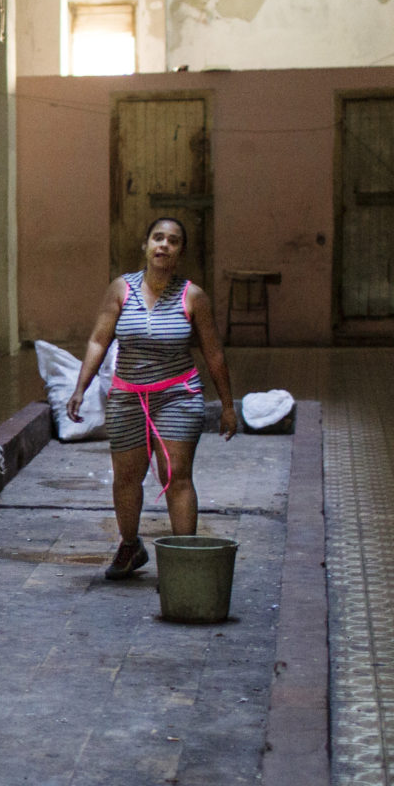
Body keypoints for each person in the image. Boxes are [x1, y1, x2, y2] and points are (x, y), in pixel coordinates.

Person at [62, 217, 237, 579]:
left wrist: (228, 406)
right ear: (145, 245)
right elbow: (99, 340)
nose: (163, 246)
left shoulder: (193, 296)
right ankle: (129, 546)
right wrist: (80, 387)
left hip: (178, 395)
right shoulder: (120, 289)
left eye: (173, 241)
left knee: (176, 476)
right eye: (157, 238)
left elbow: (214, 353)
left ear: (180, 252)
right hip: (127, 396)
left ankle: (185, 562)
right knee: (126, 477)